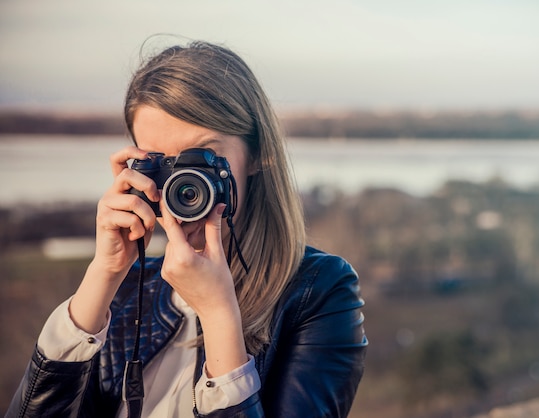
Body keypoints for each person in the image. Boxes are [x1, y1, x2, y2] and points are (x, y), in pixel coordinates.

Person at [7, 40, 367, 418]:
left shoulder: (320, 291)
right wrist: (104, 275)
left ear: (260, 152)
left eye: (204, 156)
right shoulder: (129, 288)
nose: (183, 181)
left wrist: (218, 313)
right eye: (160, 161)